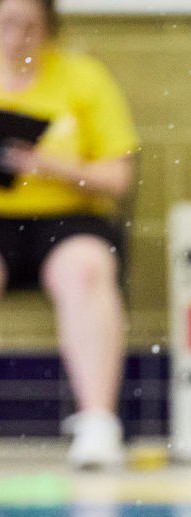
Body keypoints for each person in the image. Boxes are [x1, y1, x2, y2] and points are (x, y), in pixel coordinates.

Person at [0, 0, 137, 469]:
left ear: (48, 27)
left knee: (84, 268)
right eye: (4, 24)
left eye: (27, 26)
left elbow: (118, 178)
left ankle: (98, 422)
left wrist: (52, 167)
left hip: (69, 216)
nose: (16, 37)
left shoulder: (83, 78)